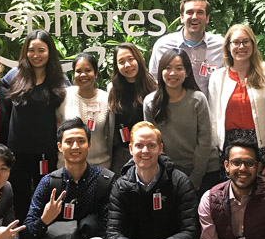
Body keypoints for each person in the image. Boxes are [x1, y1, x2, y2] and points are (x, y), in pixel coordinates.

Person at [208, 24, 265, 185]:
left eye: (246, 41)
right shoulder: (217, 77)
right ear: (228, 46)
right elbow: (213, 120)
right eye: (236, 42)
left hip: (264, 149)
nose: (241, 46)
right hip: (230, 151)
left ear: (253, 44)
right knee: (234, 202)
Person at [5, 30, 67, 219]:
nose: (36, 55)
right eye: (32, 50)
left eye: (42, 50)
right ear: (25, 51)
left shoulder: (59, 80)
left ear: (50, 52)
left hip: (45, 154)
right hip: (17, 154)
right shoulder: (14, 75)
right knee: (19, 202)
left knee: (46, 201)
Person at [144, 48, 220, 194]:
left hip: (204, 170)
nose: (173, 73)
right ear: (160, 72)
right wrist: (169, 173)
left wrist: (196, 177)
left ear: (187, 72)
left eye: (179, 68)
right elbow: (153, 142)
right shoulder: (150, 103)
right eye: (168, 68)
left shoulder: (198, 99)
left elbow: (204, 140)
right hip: (170, 171)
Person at [148, 0, 224, 98]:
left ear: (207, 18)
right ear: (182, 17)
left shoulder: (221, 46)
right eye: (190, 12)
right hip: (172, 111)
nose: (194, 17)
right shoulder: (162, 46)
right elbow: (154, 81)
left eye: (200, 12)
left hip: (209, 112)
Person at [107, 43, 156, 175]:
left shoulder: (154, 87)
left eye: (131, 59)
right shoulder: (113, 89)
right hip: (122, 153)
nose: (127, 65)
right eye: (121, 62)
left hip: (148, 152)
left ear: (139, 59)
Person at [58, 52, 113, 169]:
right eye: (78, 71)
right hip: (67, 165)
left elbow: (110, 135)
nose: (83, 74)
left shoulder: (106, 99)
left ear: (96, 73)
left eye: (88, 70)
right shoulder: (63, 96)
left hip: (100, 164)